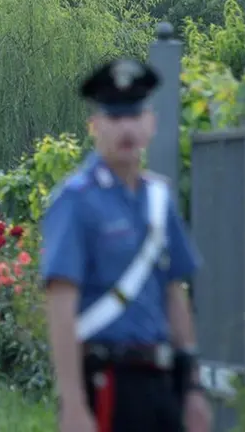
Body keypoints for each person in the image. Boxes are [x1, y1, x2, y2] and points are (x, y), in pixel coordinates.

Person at [40, 58, 213, 432]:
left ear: (150, 123)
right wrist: (71, 404)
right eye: (114, 117)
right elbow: (60, 305)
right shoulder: (74, 200)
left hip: (162, 381)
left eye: (134, 115)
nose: (126, 127)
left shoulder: (158, 197)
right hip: (106, 384)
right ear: (95, 126)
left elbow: (173, 293)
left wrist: (195, 388)